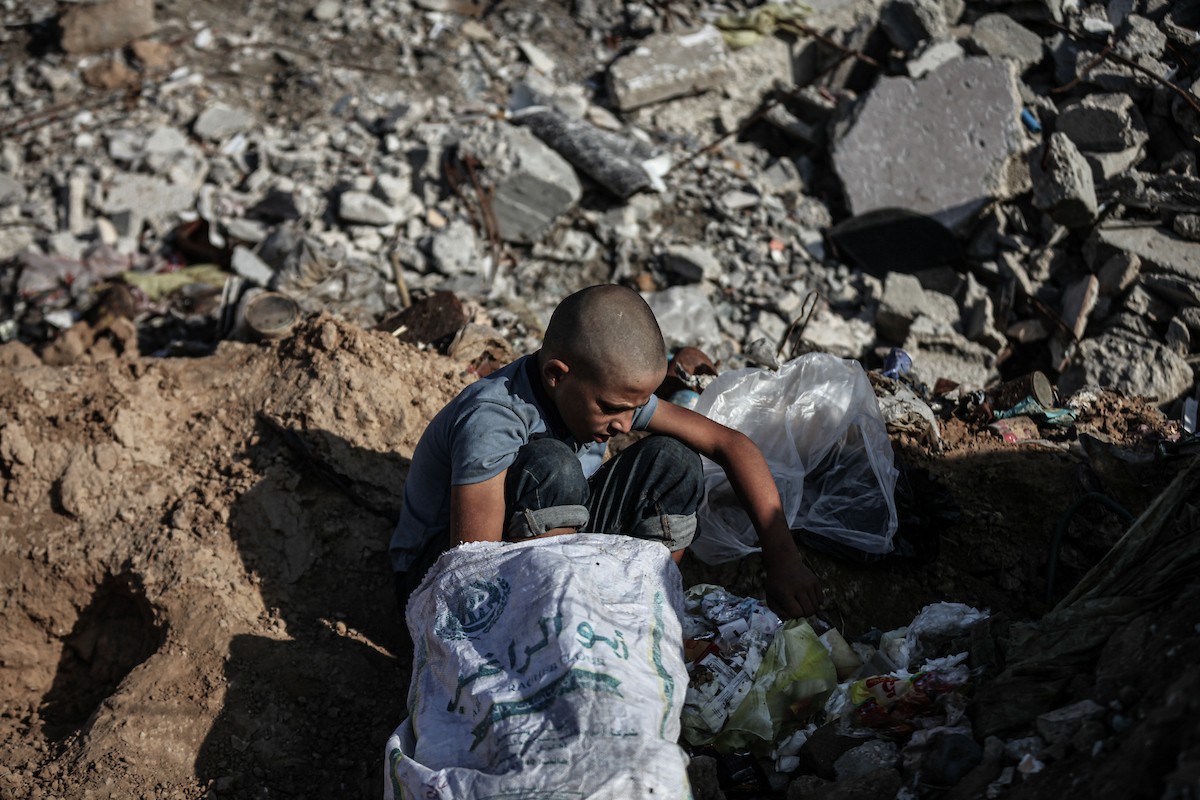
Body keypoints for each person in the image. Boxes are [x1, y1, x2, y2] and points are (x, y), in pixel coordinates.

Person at [389, 284, 823, 618]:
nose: (623, 424)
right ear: (557, 376)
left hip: (542, 547)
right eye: (613, 410)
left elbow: (730, 444)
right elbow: (469, 573)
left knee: (674, 461)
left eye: (635, 408)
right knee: (554, 466)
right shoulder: (494, 419)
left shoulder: (604, 397)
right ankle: (556, 626)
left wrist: (782, 559)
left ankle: (647, 610)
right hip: (441, 579)